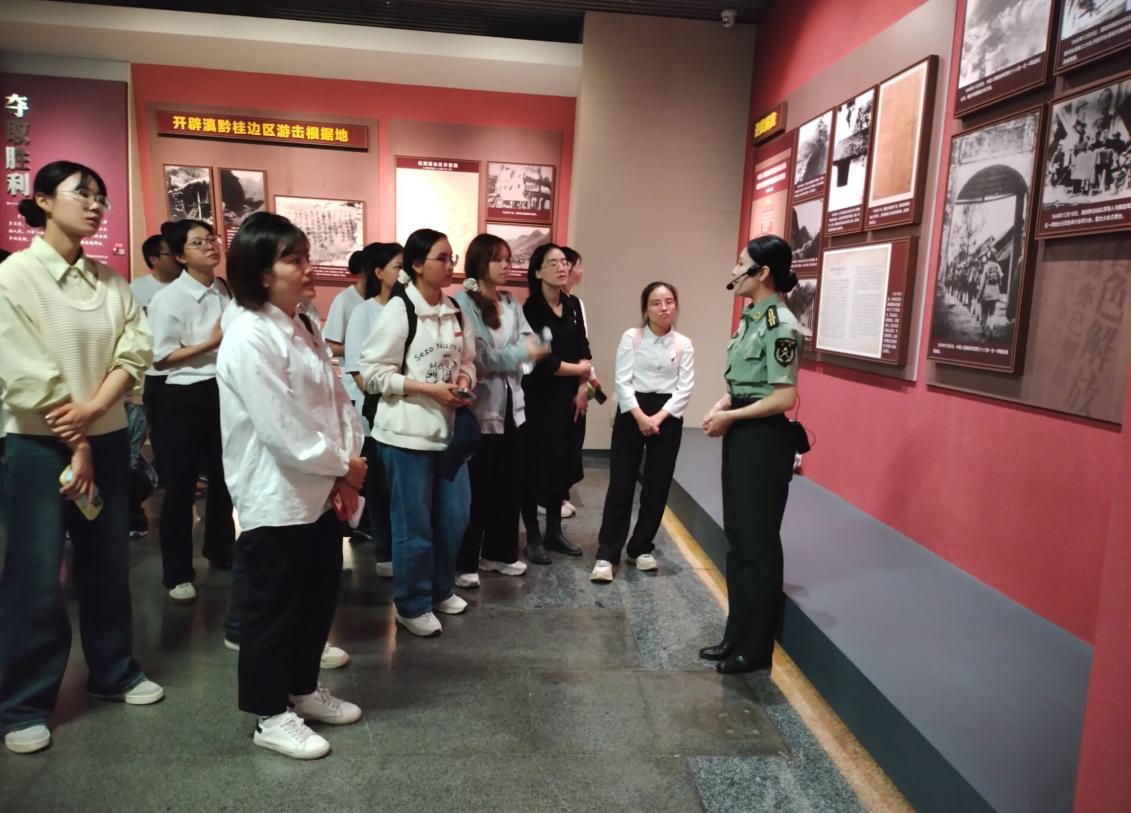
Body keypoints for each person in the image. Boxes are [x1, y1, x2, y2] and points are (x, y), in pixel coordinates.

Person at [0, 161, 164, 756]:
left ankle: (114, 672)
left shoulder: (111, 281)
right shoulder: (15, 275)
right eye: (82, 194)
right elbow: (22, 366)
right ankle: (23, 703)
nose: (95, 206)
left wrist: (94, 412)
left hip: (105, 435)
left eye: (101, 197)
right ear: (43, 200)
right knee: (36, 573)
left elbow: (135, 348)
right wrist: (76, 438)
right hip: (37, 442)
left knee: (106, 562)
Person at [218, 211, 365, 760]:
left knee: (316, 599)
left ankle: (302, 690)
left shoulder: (301, 322)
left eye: (307, 257)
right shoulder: (249, 334)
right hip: (277, 494)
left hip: (321, 489)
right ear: (261, 273)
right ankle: (269, 714)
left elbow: (334, 398)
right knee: (272, 609)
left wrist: (347, 461)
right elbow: (283, 428)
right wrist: (342, 466)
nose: (309, 269)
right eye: (294, 260)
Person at [359, 228, 477, 638]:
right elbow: (372, 374)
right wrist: (428, 389)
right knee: (414, 526)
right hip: (405, 436)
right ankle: (411, 604)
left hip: (449, 434)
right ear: (416, 264)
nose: (450, 265)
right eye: (441, 258)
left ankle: (441, 589)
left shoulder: (455, 308)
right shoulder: (400, 309)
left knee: (454, 518)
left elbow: (468, 360)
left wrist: (463, 379)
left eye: (451, 257)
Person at [698, 235, 803, 675]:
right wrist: (722, 406)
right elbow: (743, 383)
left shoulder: (781, 325)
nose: (733, 272)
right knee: (739, 540)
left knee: (758, 545)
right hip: (742, 432)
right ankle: (736, 634)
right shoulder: (751, 318)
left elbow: (784, 397)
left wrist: (733, 416)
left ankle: (756, 649)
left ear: (763, 273)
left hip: (763, 440)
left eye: (740, 264)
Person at [147, 219, 235, 603]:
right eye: (198, 243)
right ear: (181, 256)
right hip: (183, 394)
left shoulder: (224, 289)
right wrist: (211, 343)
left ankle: (221, 548)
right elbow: (161, 357)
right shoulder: (169, 298)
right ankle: (177, 572)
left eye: (211, 239)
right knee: (181, 486)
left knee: (224, 476)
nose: (210, 246)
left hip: (224, 390)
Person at [453, 234, 548, 588]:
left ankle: (500, 553)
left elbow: (531, 342)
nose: (507, 265)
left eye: (509, 259)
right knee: (477, 489)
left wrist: (521, 354)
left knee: (509, 486)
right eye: (499, 259)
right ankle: (466, 560)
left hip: (514, 407)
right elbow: (480, 357)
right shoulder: (463, 303)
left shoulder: (510, 301)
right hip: (480, 409)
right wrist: (519, 355)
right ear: (480, 263)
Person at [592, 282, 694, 582]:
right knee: (621, 484)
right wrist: (640, 417)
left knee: (657, 486)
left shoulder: (684, 343)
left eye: (669, 301)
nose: (664, 308)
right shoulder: (632, 337)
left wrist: (658, 418)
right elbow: (622, 381)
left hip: (667, 416)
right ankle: (607, 553)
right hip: (632, 411)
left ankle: (640, 547)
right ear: (645, 309)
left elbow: (685, 388)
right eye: (656, 303)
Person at [521, 243, 593, 564]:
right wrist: (581, 371)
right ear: (537, 271)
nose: (562, 268)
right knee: (535, 467)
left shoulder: (573, 304)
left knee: (561, 466)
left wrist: (582, 387)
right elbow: (543, 362)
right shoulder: (530, 310)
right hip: (539, 399)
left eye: (564, 262)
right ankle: (532, 537)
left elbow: (584, 348)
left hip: (570, 398)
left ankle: (554, 531)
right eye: (553, 263)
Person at [343, 242, 403, 578]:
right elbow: (358, 370)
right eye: (397, 266)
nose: (404, 273)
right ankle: (385, 551)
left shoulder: (409, 307)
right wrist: (392, 390)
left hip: (409, 408)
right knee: (380, 484)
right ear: (379, 273)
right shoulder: (364, 312)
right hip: (378, 407)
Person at [131, 234, 181, 480]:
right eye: (170, 254)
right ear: (154, 259)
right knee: (159, 427)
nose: (177, 259)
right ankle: (163, 475)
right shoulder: (136, 289)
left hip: (184, 367)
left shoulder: (185, 286)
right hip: (155, 370)